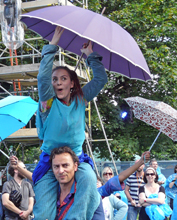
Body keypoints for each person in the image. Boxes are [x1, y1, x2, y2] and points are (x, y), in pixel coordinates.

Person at [30, 25, 108, 219]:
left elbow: (100, 79)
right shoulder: (48, 102)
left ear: (71, 83)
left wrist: (90, 54)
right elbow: (42, 78)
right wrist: (52, 45)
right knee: (43, 213)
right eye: (55, 79)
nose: (58, 83)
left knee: (90, 179)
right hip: (51, 162)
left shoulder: (80, 99)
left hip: (76, 159)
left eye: (63, 79)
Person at [11, 149, 150, 219]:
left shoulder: (88, 193)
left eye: (65, 165)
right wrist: (18, 168)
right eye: (56, 166)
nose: (61, 171)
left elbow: (117, 179)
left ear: (76, 166)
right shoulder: (50, 194)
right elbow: (35, 179)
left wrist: (140, 162)